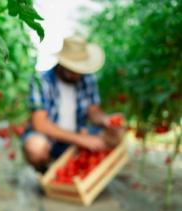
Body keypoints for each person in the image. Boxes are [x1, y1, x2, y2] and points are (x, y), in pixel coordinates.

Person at [22, 35, 125, 173]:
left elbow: (94, 112)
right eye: (73, 70)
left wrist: (105, 120)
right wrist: (81, 139)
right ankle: (45, 171)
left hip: (77, 136)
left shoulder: (87, 79)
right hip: (51, 140)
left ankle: (81, 167)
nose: (77, 75)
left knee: (118, 133)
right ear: (62, 63)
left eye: (80, 70)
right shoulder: (41, 81)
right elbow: (39, 124)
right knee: (35, 147)